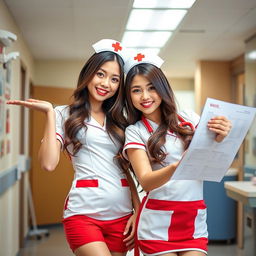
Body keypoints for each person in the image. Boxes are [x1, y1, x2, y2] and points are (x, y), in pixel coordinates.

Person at [7, 39, 140, 256]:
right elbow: (48, 163)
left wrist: (137, 209)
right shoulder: (64, 114)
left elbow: (125, 169)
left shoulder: (120, 121)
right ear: (88, 73)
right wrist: (50, 113)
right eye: (101, 74)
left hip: (122, 216)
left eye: (114, 79)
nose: (106, 83)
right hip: (83, 214)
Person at [122, 52, 232, 256]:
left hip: (192, 219)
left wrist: (221, 136)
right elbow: (146, 181)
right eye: (136, 90)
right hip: (157, 223)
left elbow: (211, 157)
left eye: (151, 87)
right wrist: (177, 166)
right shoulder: (135, 131)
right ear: (129, 96)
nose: (145, 97)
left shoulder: (189, 119)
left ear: (162, 88)